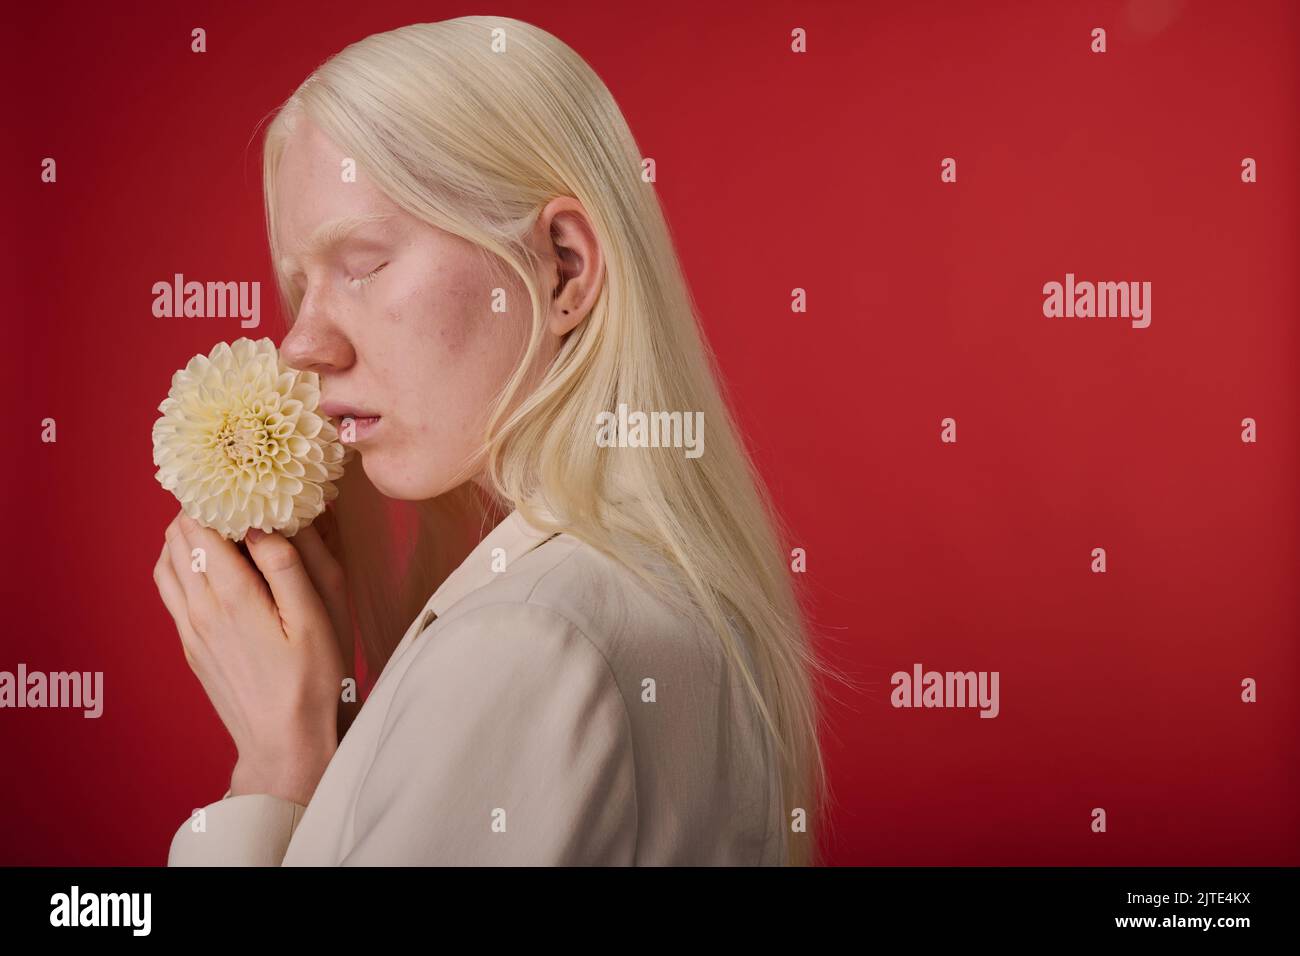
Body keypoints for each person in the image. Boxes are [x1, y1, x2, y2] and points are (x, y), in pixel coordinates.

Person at [154, 15, 833, 866]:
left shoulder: (522, 638)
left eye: (362, 266)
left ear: (563, 267)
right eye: (301, 286)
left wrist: (277, 771)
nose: (300, 344)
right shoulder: (690, 609)